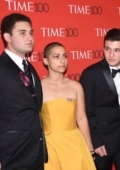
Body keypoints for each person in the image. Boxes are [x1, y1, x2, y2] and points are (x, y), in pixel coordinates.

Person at [0, 13, 47, 170]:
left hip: (35, 155)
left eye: (31, 32)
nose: (30, 38)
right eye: (22, 33)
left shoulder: (30, 68)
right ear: (7, 36)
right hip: (9, 158)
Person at [79, 28, 120, 170]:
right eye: (107, 49)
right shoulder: (90, 74)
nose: (110, 55)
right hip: (102, 141)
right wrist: (95, 142)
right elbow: (86, 112)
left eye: (117, 50)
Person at [41, 42, 96, 170]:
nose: (62, 60)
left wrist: (90, 149)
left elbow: (81, 119)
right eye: (56, 56)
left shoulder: (76, 86)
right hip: (50, 146)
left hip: (75, 144)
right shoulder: (39, 87)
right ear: (45, 61)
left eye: (64, 56)